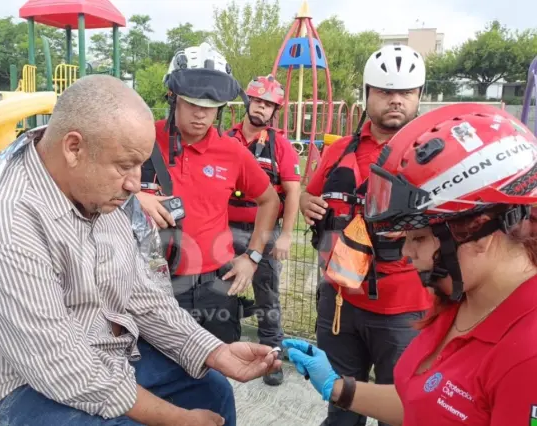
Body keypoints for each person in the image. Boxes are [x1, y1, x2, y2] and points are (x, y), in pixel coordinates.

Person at [0, 74, 282, 426]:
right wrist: (176, 419)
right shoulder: (6, 222)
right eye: (124, 165)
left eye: (140, 165)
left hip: (101, 352)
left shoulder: (102, 194)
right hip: (14, 386)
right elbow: (60, 365)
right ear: (74, 148)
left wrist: (214, 351)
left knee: (212, 389)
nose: (136, 184)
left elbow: (141, 293)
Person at [285, 103, 537, 425]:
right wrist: (338, 388)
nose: (405, 252)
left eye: (417, 238)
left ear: (480, 231)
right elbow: (421, 399)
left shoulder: (527, 357)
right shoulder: (462, 298)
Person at [299, 44, 433, 426]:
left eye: (405, 92)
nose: (395, 100)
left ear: (419, 96)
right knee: (341, 408)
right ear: (368, 94)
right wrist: (309, 201)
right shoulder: (340, 150)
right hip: (340, 303)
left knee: (401, 412)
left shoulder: (431, 154)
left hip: (404, 311)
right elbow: (312, 191)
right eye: (385, 91)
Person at [137, 43, 281, 344]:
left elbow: (270, 200)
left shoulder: (233, 152)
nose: (201, 114)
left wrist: (252, 257)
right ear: (173, 98)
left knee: (217, 377)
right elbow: (95, 190)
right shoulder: (140, 139)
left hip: (216, 287)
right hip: (152, 286)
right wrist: (136, 198)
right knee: (157, 376)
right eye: (192, 103)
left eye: (211, 105)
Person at [226, 74, 301, 386]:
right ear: (248, 102)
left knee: (267, 297)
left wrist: (285, 236)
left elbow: (294, 193)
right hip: (224, 228)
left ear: (275, 112)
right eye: (258, 101)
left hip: (265, 231)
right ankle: (225, 351)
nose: (261, 109)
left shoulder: (280, 146)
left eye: (269, 105)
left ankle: (272, 358)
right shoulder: (225, 139)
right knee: (217, 291)